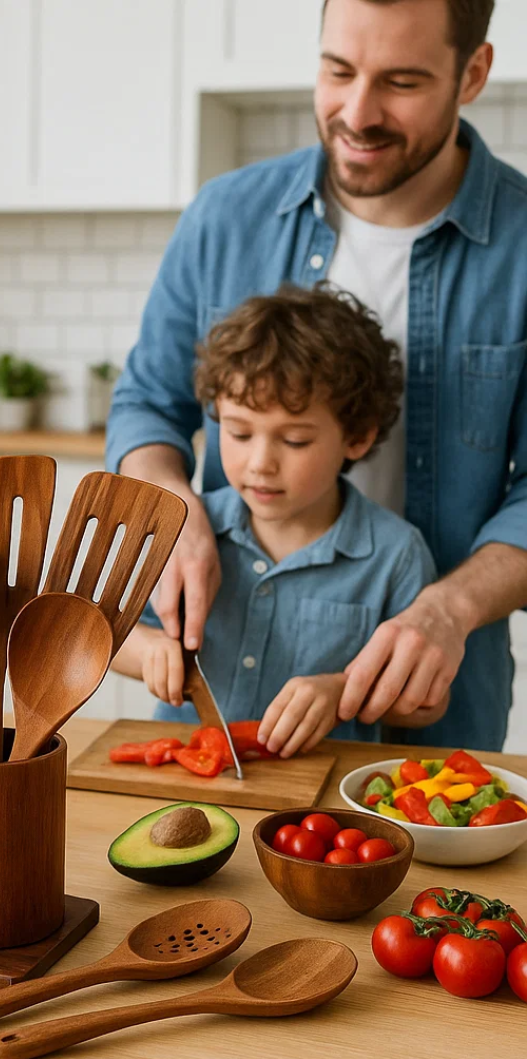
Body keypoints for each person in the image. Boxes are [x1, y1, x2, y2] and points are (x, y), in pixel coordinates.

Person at [107, 0, 527, 750]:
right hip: (212, 725)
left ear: (473, 74)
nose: (357, 114)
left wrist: (449, 608)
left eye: (401, 82)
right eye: (338, 71)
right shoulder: (225, 217)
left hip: (438, 710)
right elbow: (147, 403)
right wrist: (170, 507)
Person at [112, 285, 445, 757]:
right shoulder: (186, 532)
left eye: (294, 441)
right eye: (239, 433)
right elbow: (104, 640)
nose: (260, 464)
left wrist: (341, 691)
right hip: (185, 773)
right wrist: (149, 650)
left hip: (319, 789)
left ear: (356, 438)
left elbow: (428, 704)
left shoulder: (396, 554)